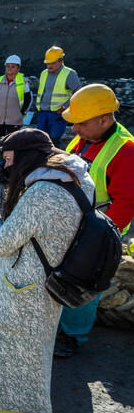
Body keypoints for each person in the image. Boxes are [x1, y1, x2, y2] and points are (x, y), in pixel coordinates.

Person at [0, 128, 94, 413]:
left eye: (9, 161)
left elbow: (5, 241)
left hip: (26, 292)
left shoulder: (41, 194)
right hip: (44, 285)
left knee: (30, 368)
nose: (6, 168)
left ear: (25, 158)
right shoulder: (75, 178)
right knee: (16, 358)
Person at [54, 84, 134, 357]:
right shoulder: (84, 138)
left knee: (85, 280)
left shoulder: (125, 151)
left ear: (104, 119)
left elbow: (126, 203)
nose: (74, 129)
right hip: (75, 225)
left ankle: (73, 336)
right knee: (64, 275)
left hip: (99, 233)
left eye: (81, 123)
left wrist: (99, 237)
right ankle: (62, 325)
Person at [35, 46, 82, 148]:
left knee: (54, 141)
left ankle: (54, 162)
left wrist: (65, 107)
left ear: (61, 62)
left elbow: (79, 92)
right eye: (48, 63)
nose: (49, 66)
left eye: (52, 63)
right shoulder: (44, 73)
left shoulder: (69, 74)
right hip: (43, 112)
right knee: (39, 139)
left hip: (57, 114)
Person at [0, 55, 33, 137]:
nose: (10, 68)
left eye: (13, 66)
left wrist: (22, 113)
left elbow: (28, 99)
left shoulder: (23, 82)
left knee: (12, 142)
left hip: (15, 120)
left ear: (18, 69)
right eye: (8, 66)